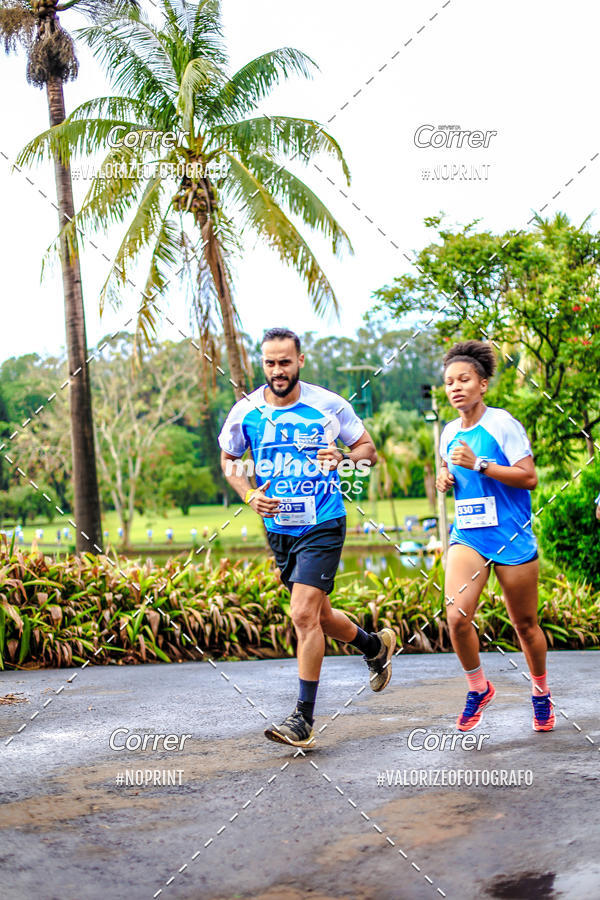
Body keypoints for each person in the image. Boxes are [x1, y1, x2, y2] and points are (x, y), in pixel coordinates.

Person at [219, 327, 396, 748]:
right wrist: (249, 496)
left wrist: (345, 457)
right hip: (279, 528)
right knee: (321, 616)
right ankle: (374, 646)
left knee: (302, 614)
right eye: (269, 363)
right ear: (262, 364)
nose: (277, 371)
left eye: (284, 362)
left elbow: (369, 451)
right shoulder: (245, 412)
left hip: (323, 522)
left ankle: (303, 718)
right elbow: (229, 459)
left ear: (300, 361)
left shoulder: (329, 405)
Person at [436, 340, 554, 733]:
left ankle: (540, 691)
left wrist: (481, 464)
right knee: (456, 617)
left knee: (525, 624)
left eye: (464, 379)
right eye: (449, 381)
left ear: (482, 384)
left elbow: (530, 478)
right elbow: (455, 476)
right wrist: (445, 478)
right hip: (469, 536)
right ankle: (478, 688)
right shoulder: (448, 432)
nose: (455, 387)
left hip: (512, 537)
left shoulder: (503, 425)